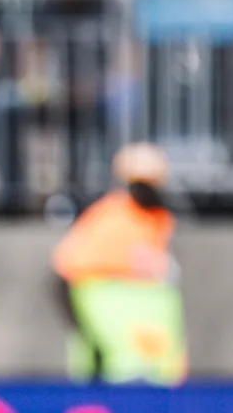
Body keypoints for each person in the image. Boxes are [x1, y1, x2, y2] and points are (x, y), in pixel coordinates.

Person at [51, 143, 188, 386]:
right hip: (96, 288)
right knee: (121, 364)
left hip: (106, 291)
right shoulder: (114, 212)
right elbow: (71, 260)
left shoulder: (149, 216)